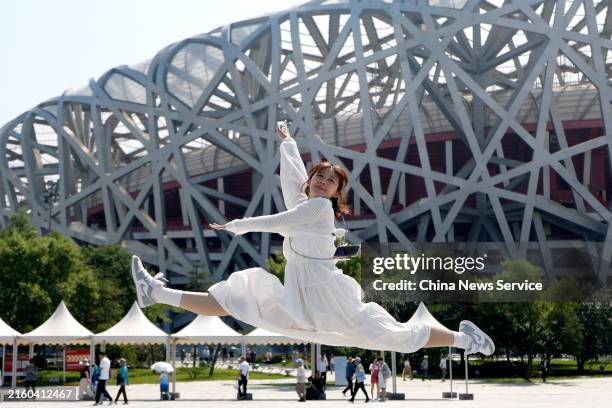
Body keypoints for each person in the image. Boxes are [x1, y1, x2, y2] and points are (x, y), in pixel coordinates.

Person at [130, 122, 495, 358]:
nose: (321, 182)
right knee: (235, 298)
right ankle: (155, 293)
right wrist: (288, 141)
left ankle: (465, 340)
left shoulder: (318, 209)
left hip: (331, 304)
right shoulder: (306, 202)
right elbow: (291, 177)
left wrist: (237, 225)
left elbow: (278, 221)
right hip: (299, 303)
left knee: (397, 337)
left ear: (336, 193)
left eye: (329, 181)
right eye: (318, 177)